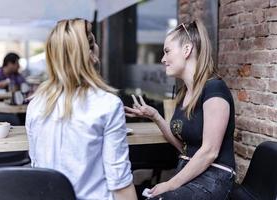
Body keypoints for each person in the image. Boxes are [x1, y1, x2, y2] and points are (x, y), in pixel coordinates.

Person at [25, 18, 137, 200]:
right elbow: (120, 183)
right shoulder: (107, 104)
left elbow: (37, 167)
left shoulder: (36, 105)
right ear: (91, 54)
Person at [125, 19, 235, 200]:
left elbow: (210, 152)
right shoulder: (185, 93)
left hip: (215, 177)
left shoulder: (214, 89)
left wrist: (170, 184)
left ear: (186, 50)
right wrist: (155, 116)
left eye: (167, 51)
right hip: (191, 172)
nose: (162, 59)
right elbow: (184, 147)